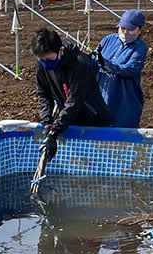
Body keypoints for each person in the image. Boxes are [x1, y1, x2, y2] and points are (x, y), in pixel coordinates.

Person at [33, 28, 114, 159]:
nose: (45, 62)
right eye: (41, 59)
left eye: (48, 58)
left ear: (60, 50)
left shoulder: (80, 64)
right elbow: (43, 93)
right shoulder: (42, 65)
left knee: (97, 161)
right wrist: (47, 123)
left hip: (94, 121)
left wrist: (55, 130)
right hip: (70, 122)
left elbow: (74, 101)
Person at [95, 9, 149, 128]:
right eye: (122, 28)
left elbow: (130, 69)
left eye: (130, 29)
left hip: (124, 101)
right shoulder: (108, 40)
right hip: (102, 94)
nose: (125, 32)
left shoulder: (140, 48)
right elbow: (94, 60)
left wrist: (107, 64)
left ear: (139, 31)